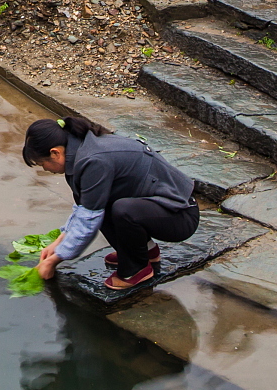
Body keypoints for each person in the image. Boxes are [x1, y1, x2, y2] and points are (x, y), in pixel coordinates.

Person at [23, 115, 200, 291]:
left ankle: (136, 269)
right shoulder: (80, 147)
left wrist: (55, 260)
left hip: (181, 214)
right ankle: (145, 252)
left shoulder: (93, 161)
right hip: (156, 207)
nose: (44, 169)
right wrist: (57, 243)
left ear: (55, 153)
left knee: (121, 210)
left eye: (42, 163)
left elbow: (88, 222)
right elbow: (85, 207)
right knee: (104, 203)